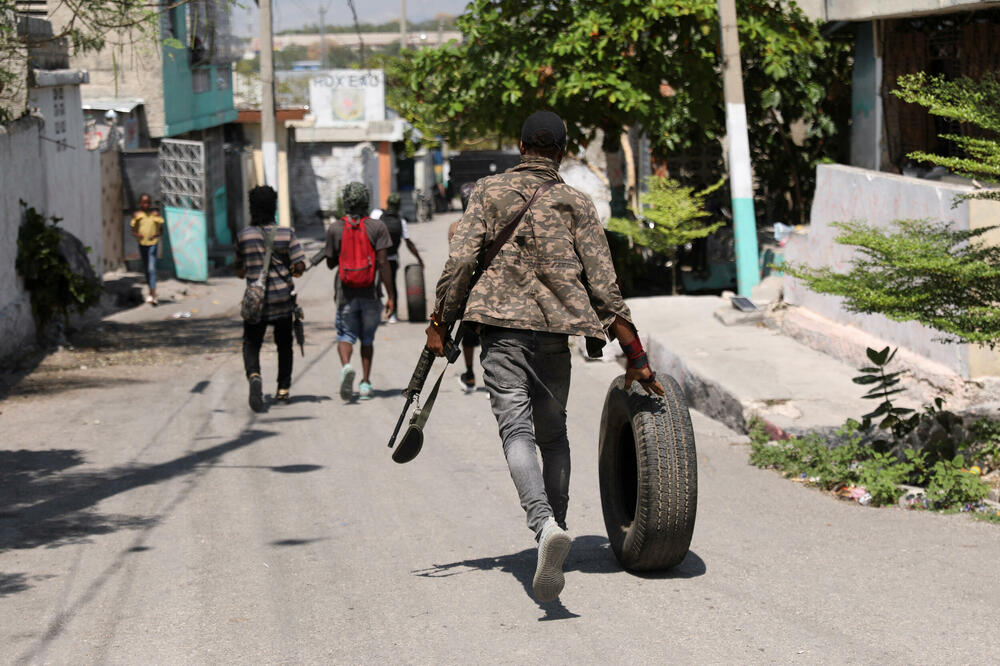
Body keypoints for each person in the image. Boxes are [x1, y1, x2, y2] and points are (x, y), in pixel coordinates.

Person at [427, 111, 665, 603]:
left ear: (521, 147)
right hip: (555, 335)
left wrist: (439, 322)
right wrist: (636, 355)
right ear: (561, 151)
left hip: (501, 333)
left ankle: (544, 527)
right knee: (553, 436)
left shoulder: (488, 191)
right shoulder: (576, 202)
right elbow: (604, 286)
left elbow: (462, 260)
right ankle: (556, 524)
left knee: (517, 432)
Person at [235, 186, 306, 412]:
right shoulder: (286, 233)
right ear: (273, 206)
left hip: (256, 303)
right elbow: (300, 266)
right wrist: (293, 269)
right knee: (284, 345)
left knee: (251, 343)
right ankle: (283, 390)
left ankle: (254, 375)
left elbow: (240, 272)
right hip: (282, 300)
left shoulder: (244, 236)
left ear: (252, 207)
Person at [325, 182, 395, 401]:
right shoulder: (377, 227)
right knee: (367, 338)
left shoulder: (335, 228)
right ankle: (365, 383)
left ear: (346, 202)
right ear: (366, 201)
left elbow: (330, 263)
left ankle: (346, 366)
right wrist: (391, 295)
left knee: (345, 335)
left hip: (345, 293)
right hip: (370, 293)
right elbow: (383, 263)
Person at [370, 192, 424, 323]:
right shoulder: (401, 221)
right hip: (391, 259)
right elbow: (408, 243)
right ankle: (392, 314)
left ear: (387, 203)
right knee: (392, 286)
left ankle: (373, 313)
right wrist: (419, 259)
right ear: (399, 206)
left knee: (373, 284)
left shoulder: (376, 214)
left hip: (375, 257)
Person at [448, 181, 480, 391]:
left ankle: (470, 376)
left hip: (467, 290)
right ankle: (494, 382)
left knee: (468, 336)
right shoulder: (492, 224)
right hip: (489, 289)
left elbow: (454, 263)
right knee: (491, 335)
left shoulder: (455, 228)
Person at [130, 193, 164, 305]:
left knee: (151, 268)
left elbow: (161, 231)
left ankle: (153, 295)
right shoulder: (137, 216)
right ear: (140, 203)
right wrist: (138, 235)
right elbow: (133, 230)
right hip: (142, 244)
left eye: (148, 202)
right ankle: (150, 291)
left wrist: (155, 235)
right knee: (147, 268)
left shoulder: (155, 216)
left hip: (153, 244)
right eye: (144, 202)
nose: (146, 205)